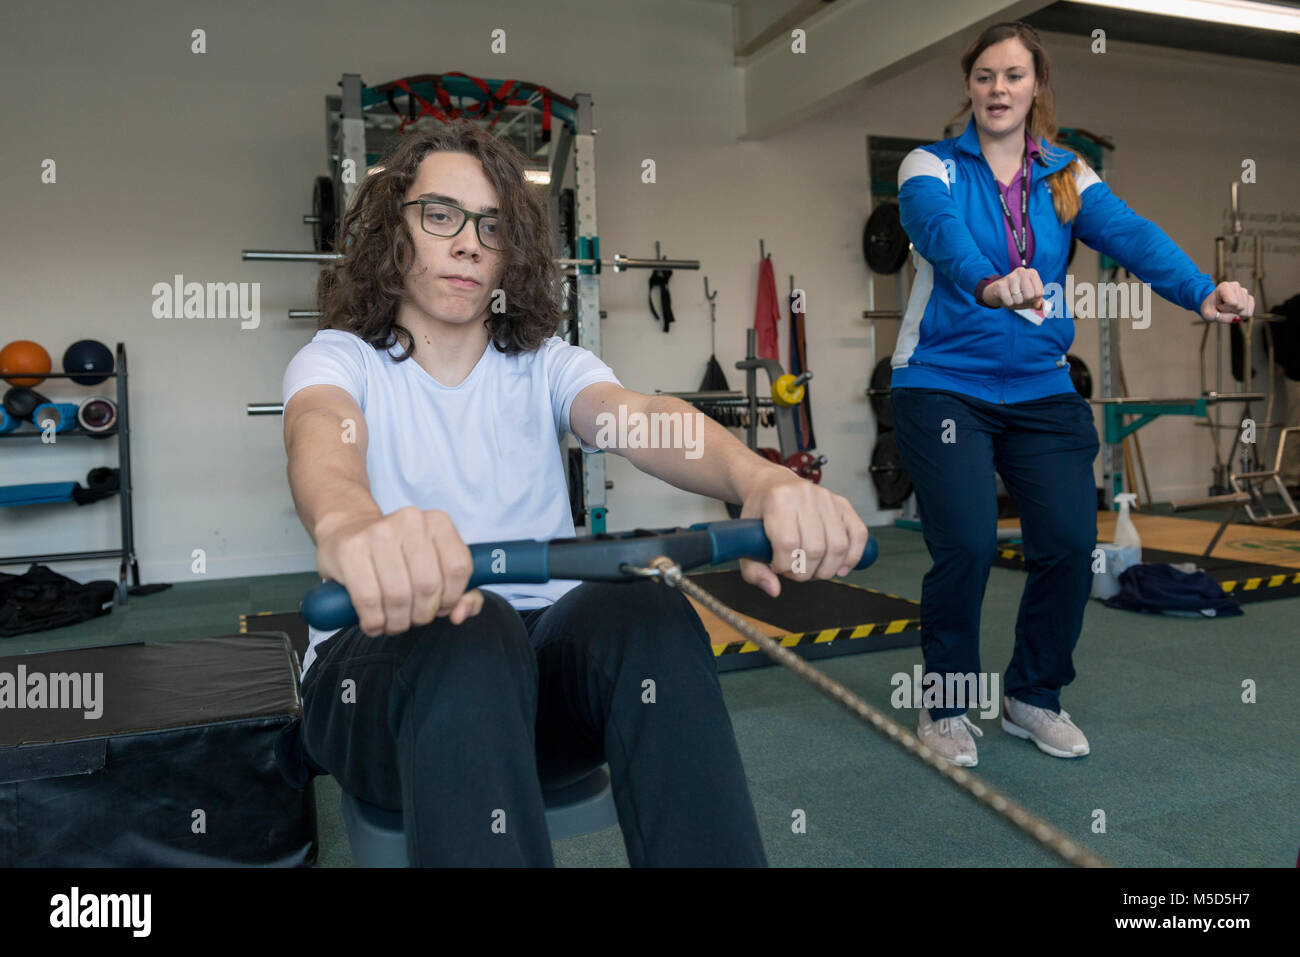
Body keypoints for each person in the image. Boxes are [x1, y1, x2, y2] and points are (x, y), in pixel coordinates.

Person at [279, 122, 869, 866]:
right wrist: (351, 523)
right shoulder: (340, 359)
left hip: (536, 694)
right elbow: (323, 435)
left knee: (643, 603)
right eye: (440, 216)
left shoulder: (545, 365)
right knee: (471, 625)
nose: (467, 243)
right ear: (392, 230)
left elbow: (644, 417)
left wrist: (764, 479)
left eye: (491, 226)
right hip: (379, 692)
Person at [890, 21, 1254, 767]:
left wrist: (1199, 290)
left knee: (1067, 541)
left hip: (1040, 388)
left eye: (1014, 76)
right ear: (970, 85)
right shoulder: (930, 166)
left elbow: (1132, 234)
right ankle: (948, 705)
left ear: (1036, 88)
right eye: (986, 75)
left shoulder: (1065, 175)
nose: (999, 89)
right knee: (965, 540)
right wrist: (991, 282)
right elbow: (941, 235)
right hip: (942, 383)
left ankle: (1034, 696)